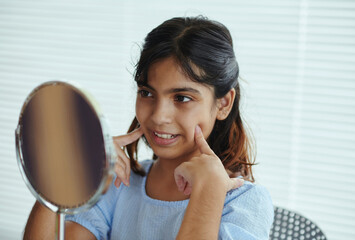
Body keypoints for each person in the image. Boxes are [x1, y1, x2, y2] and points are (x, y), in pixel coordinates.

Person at [23, 16, 274, 239]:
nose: (158, 116)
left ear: (223, 104)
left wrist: (209, 191)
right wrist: (66, 176)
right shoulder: (118, 184)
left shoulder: (245, 203)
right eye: (146, 92)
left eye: (182, 98)